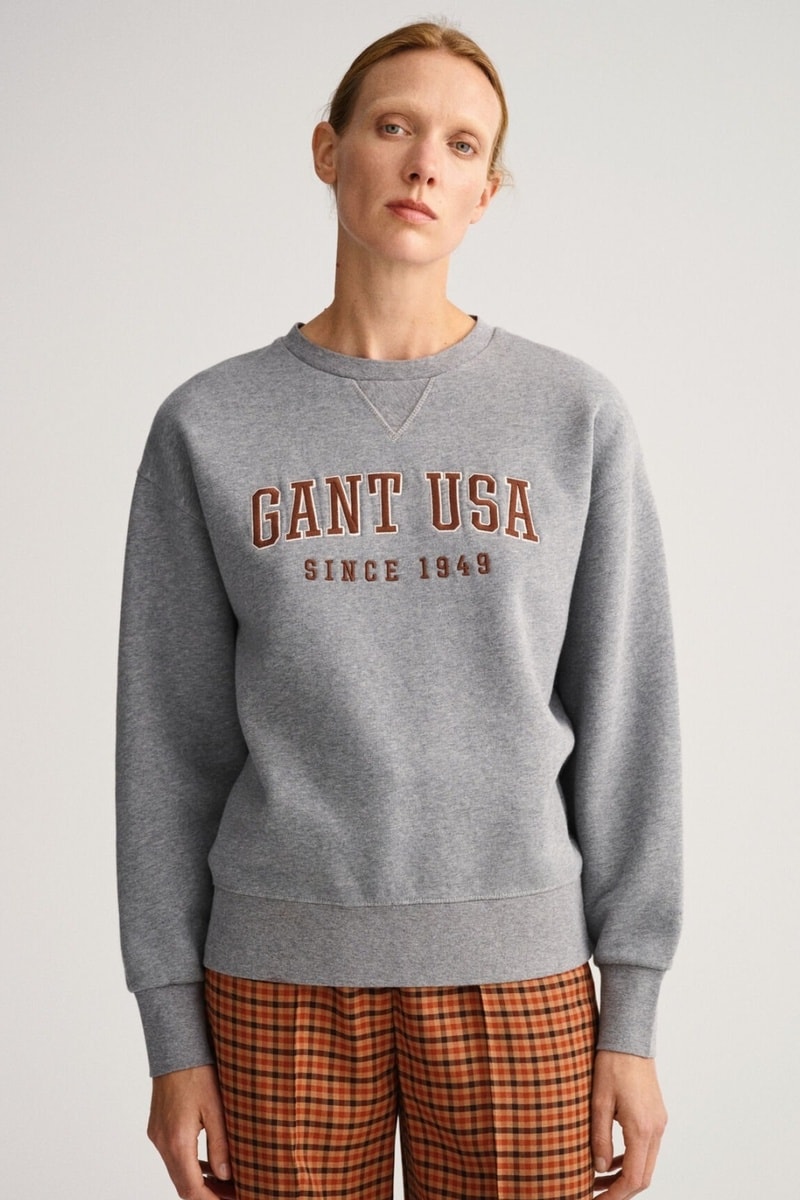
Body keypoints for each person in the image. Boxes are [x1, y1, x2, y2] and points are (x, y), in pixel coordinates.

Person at [117, 20, 681, 1200]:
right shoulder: (207, 426)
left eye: (461, 144)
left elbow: (627, 719)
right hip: (273, 983)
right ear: (328, 151)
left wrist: (628, 1013)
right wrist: (171, 1033)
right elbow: (167, 746)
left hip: (519, 977)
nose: (424, 162)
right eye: (393, 126)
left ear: (484, 193)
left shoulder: (571, 416)